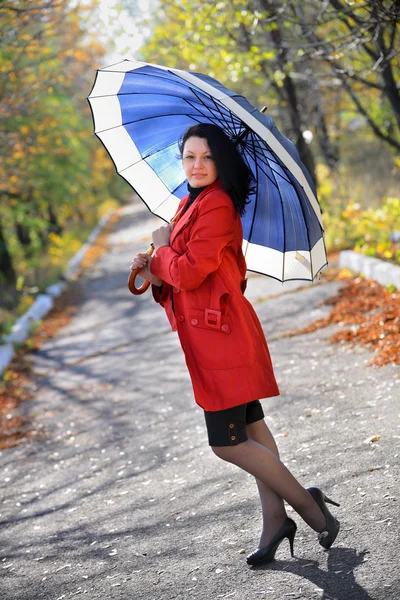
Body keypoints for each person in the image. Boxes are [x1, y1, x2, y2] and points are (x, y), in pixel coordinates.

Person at [130, 123, 340, 566]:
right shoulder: (191, 203)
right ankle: (274, 519)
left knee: (226, 443)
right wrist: (153, 269)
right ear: (180, 160)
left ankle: (308, 505)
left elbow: (188, 272)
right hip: (213, 335)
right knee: (252, 430)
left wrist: (162, 248)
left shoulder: (219, 205)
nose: (197, 165)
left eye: (207, 157)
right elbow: (181, 276)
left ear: (220, 162)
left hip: (221, 339)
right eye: (189, 157)